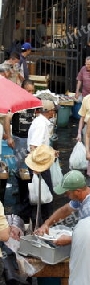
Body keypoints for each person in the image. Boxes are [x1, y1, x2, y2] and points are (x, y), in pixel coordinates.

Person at [36, 170, 90, 245]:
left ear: (77, 191)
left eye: (67, 193)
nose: (66, 195)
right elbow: (65, 210)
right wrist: (46, 224)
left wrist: (70, 239)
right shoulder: (83, 195)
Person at [4, 79, 36, 222]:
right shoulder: (16, 102)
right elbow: (6, 119)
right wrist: (9, 137)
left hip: (31, 139)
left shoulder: (34, 102)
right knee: (20, 167)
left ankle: (29, 193)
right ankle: (21, 194)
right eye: (28, 90)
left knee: (30, 167)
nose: (30, 93)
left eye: (32, 91)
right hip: (19, 138)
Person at [25, 144, 56, 225]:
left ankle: (37, 222)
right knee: (43, 205)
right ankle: (43, 222)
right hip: (39, 163)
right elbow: (33, 146)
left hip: (37, 162)